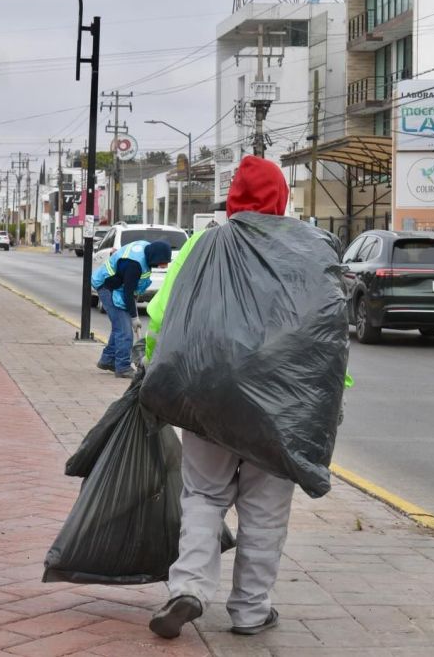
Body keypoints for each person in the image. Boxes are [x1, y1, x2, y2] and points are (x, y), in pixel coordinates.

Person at [145, 156, 304, 639]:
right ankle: (252, 611)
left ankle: (188, 589)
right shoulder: (306, 253)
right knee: (265, 508)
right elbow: (326, 335)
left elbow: (161, 317)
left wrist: (158, 379)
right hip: (281, 406)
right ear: (282, 199)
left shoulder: (202, 246)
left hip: (207, 398)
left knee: (204, 494)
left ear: (232, 200)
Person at [90, 240, 172, 377]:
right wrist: (135, 317)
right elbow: (128, 293)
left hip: (119, 286)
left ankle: (108, 360)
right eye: (163, 261)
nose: (165, 265)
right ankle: (122, 367)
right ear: (156, 257)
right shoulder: (133, 265)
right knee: (124, 330)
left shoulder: (146, 250)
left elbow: (131, 288)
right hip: (107, 286)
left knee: (119, 327)